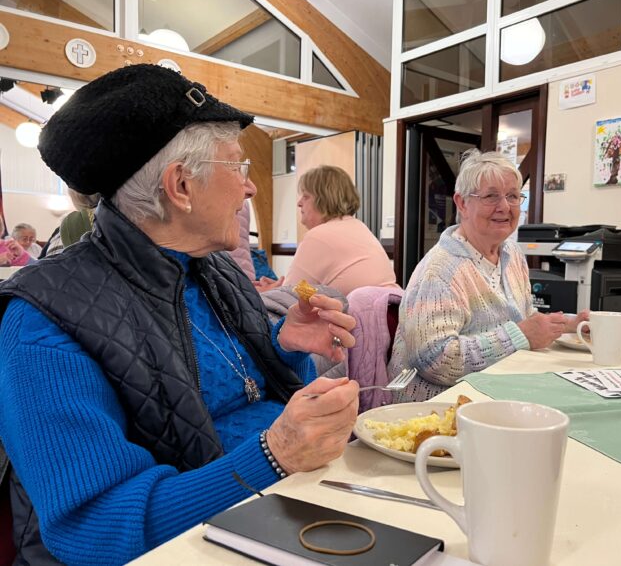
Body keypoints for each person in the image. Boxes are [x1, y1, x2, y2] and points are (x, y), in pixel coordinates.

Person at [0, 65, 359, 566]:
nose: (249, 188)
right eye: (238, 167)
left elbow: (248, 391)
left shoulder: (213, 272)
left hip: (280, 512)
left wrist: (287, 348)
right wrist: (272, 456)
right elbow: (93, 527)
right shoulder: (42, 323)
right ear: (182, 185)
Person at [389, 149, 588, 402]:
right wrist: (520, 336)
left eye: (513, 196)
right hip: (438, 407)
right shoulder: (439, 272)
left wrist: (570, 325)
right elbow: (435, 360)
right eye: (491, 196)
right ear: (462, 203)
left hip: (496, 391)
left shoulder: (512, 255)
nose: (504, 207)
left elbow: (522, 319)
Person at [284, 165, 398, 296]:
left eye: (306, 196)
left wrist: (265, 292)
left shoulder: (319, 236)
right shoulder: (358, 227)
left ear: (324, 199)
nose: (299, 203)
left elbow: (289, 297)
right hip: (386, 311)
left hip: (360, 314)